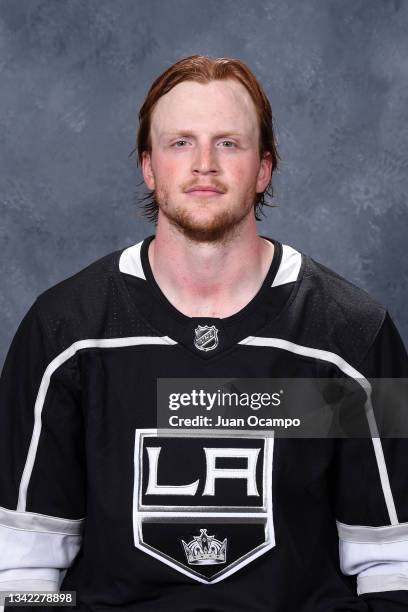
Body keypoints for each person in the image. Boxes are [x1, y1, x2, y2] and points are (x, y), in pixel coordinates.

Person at [0, 54, 407, 612]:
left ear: (264, 168)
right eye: (180, 143)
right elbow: (21, 575)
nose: (204, 164)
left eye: (229, 143)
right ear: (148, 166)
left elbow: (394, 568)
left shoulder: (353, 339)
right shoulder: (64, 334)